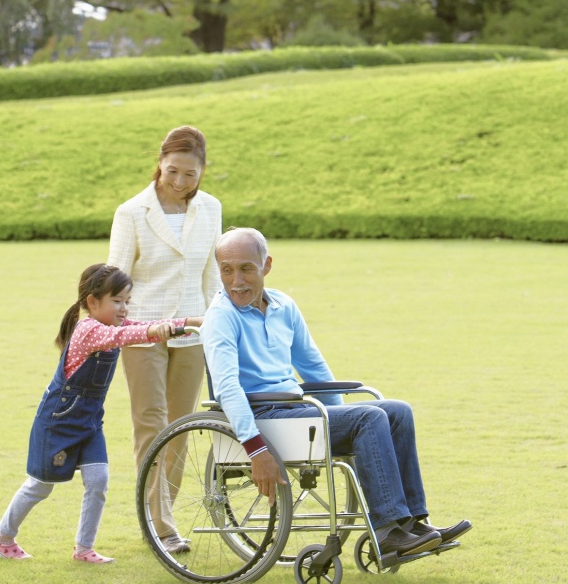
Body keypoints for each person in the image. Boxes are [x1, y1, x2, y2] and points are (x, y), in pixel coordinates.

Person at [201, 228, 471, 566]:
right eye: (226, 270)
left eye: (246, 268)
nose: (236, 280)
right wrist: (256, 449)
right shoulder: (220, 318)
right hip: (262, 418)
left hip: (296, 411)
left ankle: (412, 523)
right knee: (369, 419)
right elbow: (227, 388)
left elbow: (314, 368)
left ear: (266, 265)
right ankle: (387, 533)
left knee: (397, 411)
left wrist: (338, 425)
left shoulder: (284, 305)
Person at [0, 263, 203, 563]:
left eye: (127, 301)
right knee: (41, 485)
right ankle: (2, 538)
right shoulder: (89, 330)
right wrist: (156, 331)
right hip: (59, 421)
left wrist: (193, 321)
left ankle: (84, 548)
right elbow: (124, 338)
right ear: (92, 302)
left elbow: (142, 326)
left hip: (89, 422)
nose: (124, 308)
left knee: (98, 480)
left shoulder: (114, 326)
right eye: (117, 301)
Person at [108, 125, 221, 554]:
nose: (179, 182)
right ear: (159, 162)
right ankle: (161, 523)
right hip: (142, 332)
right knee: (151, 425)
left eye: (189, 174)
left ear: (202, 171)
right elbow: (116, 277)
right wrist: (111, 331)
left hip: (192, 331)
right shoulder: (132, 212)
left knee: (181, 426)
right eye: (172, 171)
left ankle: (161, 515)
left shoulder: (211, 209)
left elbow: (213, 275)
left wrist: (216, 325)